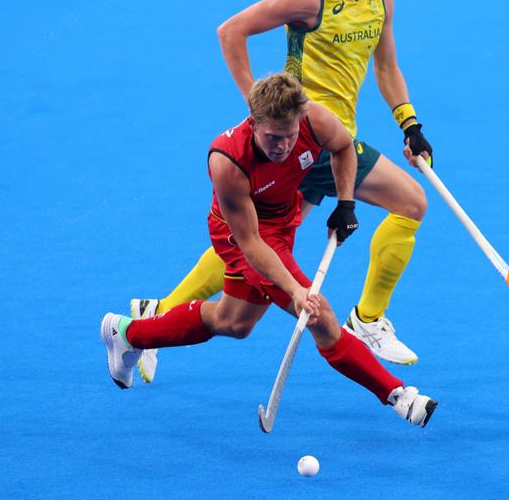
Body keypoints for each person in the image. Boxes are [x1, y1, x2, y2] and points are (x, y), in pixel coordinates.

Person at [131, 0, 433, 384]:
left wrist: (409, 123)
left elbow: (386, 68)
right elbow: (231, 30)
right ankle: (366, 321)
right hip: (300, 140)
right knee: (399, 206)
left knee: (268, 240)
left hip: (336, 140)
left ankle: (159, 311)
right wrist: (261, 109)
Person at [102, 73, 438, 428]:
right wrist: (296, 291)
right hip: (243, 236)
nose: (282, 146)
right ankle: (400, 397)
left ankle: (126, 334)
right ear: (253, 123)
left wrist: (346, 203)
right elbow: (251, 243)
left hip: (282, 222)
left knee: (234, 323)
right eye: (273, 138)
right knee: (318, 315)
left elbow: (342, 148)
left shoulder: (315, 119)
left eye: (289, 136)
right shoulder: (227, 161)